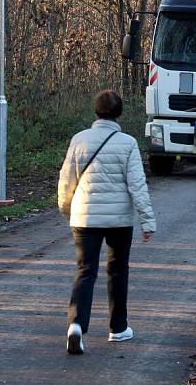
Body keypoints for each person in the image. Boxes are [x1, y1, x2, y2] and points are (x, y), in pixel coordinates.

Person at [58, 90, 156, 355]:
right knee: (118, 270)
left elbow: (67, 180)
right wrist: (147, 221)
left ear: (96, 111)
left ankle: (76, 325)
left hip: (84, 217)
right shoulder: (127, 143)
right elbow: (137, 184)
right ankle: (118, 328)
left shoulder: (79, 140)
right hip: (119, 220)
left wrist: (68, 210)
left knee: (85, 271)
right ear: (119, 113)